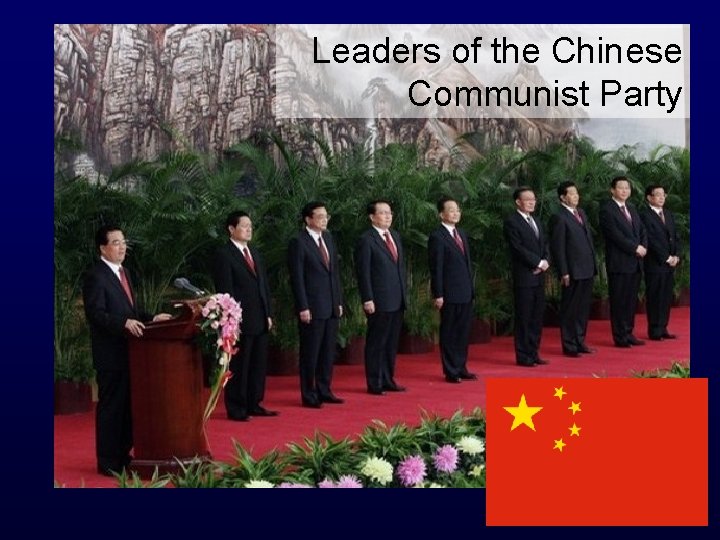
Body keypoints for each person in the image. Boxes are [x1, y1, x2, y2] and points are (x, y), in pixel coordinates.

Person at [82, 225, 172, 476]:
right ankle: (108, 461)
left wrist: (152, 317)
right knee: (112, 408)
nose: (122, 247)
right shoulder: (96, 276)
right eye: (116, 242)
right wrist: (123, 323)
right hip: (110, 354)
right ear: (103, 248)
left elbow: (131, 312)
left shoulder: (125, 273)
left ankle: (122, 456)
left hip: (130, 353)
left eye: (124, 242)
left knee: (125, 408)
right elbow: (95, 313)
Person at [212, 211, 277, 421]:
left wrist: (268, 313)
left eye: (251, 226)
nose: (249, 229)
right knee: (240, 365)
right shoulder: (224, 254)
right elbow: (226, 290)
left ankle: (254, 403)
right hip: (239, 319)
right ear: (231, 229)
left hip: (260, 317)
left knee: (258, 364)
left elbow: (263, 286)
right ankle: (236, 407)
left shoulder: (254, 252)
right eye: (244, 226)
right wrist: (231, 319)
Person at [287, 202, 345, 408]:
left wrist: (338, 301)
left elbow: (334, 274)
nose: (324, 219)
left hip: (330, 305)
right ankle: (309, 393)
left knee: (327, 352)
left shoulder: (328, 238)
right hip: (312, 307)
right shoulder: (298, 242)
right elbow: (297, 278)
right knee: (310, 353)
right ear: (308, 219)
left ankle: (324, 389)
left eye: (326, 216)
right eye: (320, 216)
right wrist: (303, 306)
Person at [355, 199, 407, 394]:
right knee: (377, 342)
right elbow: (364, 272)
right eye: (383, 213)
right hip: (378, 300)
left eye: (389, 212)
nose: (388, 216)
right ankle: (374, 382)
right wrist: (367, 298)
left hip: (397, 299)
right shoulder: (367, 240)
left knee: (391, 343)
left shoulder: (395, 236)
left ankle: (388, 379)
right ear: (372, 217)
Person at [428, 196, 477, 383]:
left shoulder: (461, 233)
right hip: (448, 293)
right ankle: (451, 370)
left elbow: (467, 264)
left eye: (457, 209)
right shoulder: (437, 236)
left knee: (463, 332)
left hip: (465, 291)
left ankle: (461, 367)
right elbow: (436, 267)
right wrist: (438, 293)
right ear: (441, 214)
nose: (456, 213)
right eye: (451, 210)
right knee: (449, 332)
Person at [549, 181, 597, 358]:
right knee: (570, 309)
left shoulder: (581, 213)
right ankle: (569, 344)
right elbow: (558, 247)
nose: (576, 196)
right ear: (563, 197)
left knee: (583, 309)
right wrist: (564, 271)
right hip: (572, 270)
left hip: (587, 268)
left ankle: (580, 341)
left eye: (577, 193)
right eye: (572, 193)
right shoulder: (559, 217)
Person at [503, 187, 550, 367]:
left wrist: (545, 261)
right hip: (524, 276)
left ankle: (534, 352)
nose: (532, 202)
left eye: (533, 199)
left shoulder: (536, 220)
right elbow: (517, 248)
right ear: (518, 202)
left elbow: (545, 243)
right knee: (524, 316)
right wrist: (537, 263)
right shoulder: (512, 222)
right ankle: (523, 355)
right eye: (528, 199)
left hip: (540, 276)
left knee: (537, 316)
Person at [599, 176, 648, 348]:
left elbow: (642, 230)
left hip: (635, 262)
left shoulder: (632, 208)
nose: (624, 191)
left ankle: (629, 332)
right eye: (621, 188)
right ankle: (620, 336)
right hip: (619, 263)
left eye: (627, 188)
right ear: (612, 190)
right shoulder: (607, 210)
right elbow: (615, 235)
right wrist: (635, 247)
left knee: (630, 301)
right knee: (619, 301)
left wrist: (643, 246)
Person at [640, 185, 680, 340]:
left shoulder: (668, 214)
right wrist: (666, 257)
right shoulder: (645, 215)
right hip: (655, 263)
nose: (662, 197)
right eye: (657, 194)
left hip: (670, 264)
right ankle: (654, 330)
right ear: (649, 197)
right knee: (655, 297)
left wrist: (676, 256)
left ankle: (663, 327)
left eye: (663, 194)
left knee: (666, 297)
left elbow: (675, 236)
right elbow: (651, 240)